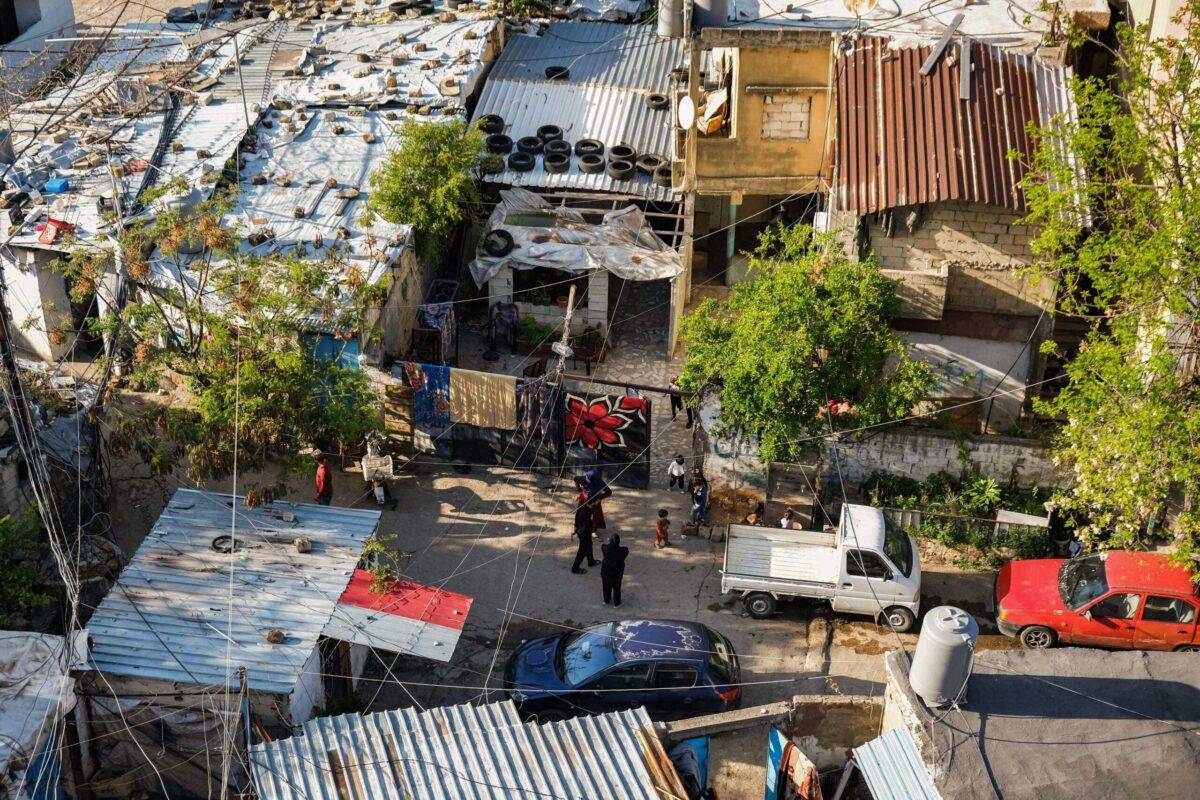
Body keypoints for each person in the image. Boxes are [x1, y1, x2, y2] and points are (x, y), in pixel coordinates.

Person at [600, 533, 629, 607]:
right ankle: (617, 603)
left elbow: (603, 545)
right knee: (616, 587)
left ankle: (606, 600)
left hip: (605, 571)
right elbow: (626, 549)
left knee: (606, 586)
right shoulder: (622, 551)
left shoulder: (605, 548)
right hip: (616, 573)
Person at [583, 467, 612, 532]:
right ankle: (585, 528)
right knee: (585, 516)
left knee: (596, 517)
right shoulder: (586, 480)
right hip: (586, 501)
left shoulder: (600, 483)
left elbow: (609, 492)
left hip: (595, 502)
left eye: (587, 477)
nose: (586, 477)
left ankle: (594, 530)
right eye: (586, 476)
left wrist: (600, 498)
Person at [571, 509, 598, 574]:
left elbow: (576, 520)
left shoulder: (582, 508)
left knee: (589, 545)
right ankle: (575, 568)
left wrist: (575, 529)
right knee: (582, 551)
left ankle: (591, 562)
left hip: (584, 533)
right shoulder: (586, 512)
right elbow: (586, 525)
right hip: (584, 534)